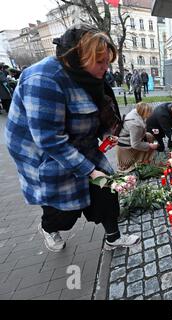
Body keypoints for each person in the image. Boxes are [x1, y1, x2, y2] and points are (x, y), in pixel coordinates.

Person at [5, 24, 140, 252]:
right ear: (78, 57)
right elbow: (49, 140)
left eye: (108, 62)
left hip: (80, 145)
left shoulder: (89, 77)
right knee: (63, 210)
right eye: (100, 63)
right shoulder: (44, 79)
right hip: (47, 157)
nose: (106, 69)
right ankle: (49, 228)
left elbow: (94, 112)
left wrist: (106, 134)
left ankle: (113, 238)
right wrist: (88, 170)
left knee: (106, 191)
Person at [117, 102, 159, 172]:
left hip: (128, 137)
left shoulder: (136, 112)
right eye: (149, 112)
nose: (151, 114)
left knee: (149, 136)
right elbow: (135, 144)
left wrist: (151, 130)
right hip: (126, 145)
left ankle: (146, 159)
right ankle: (142, 161)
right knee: (150, 143)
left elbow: (142, 128)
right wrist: (150, 145)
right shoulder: (136, 125)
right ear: (143, 113)